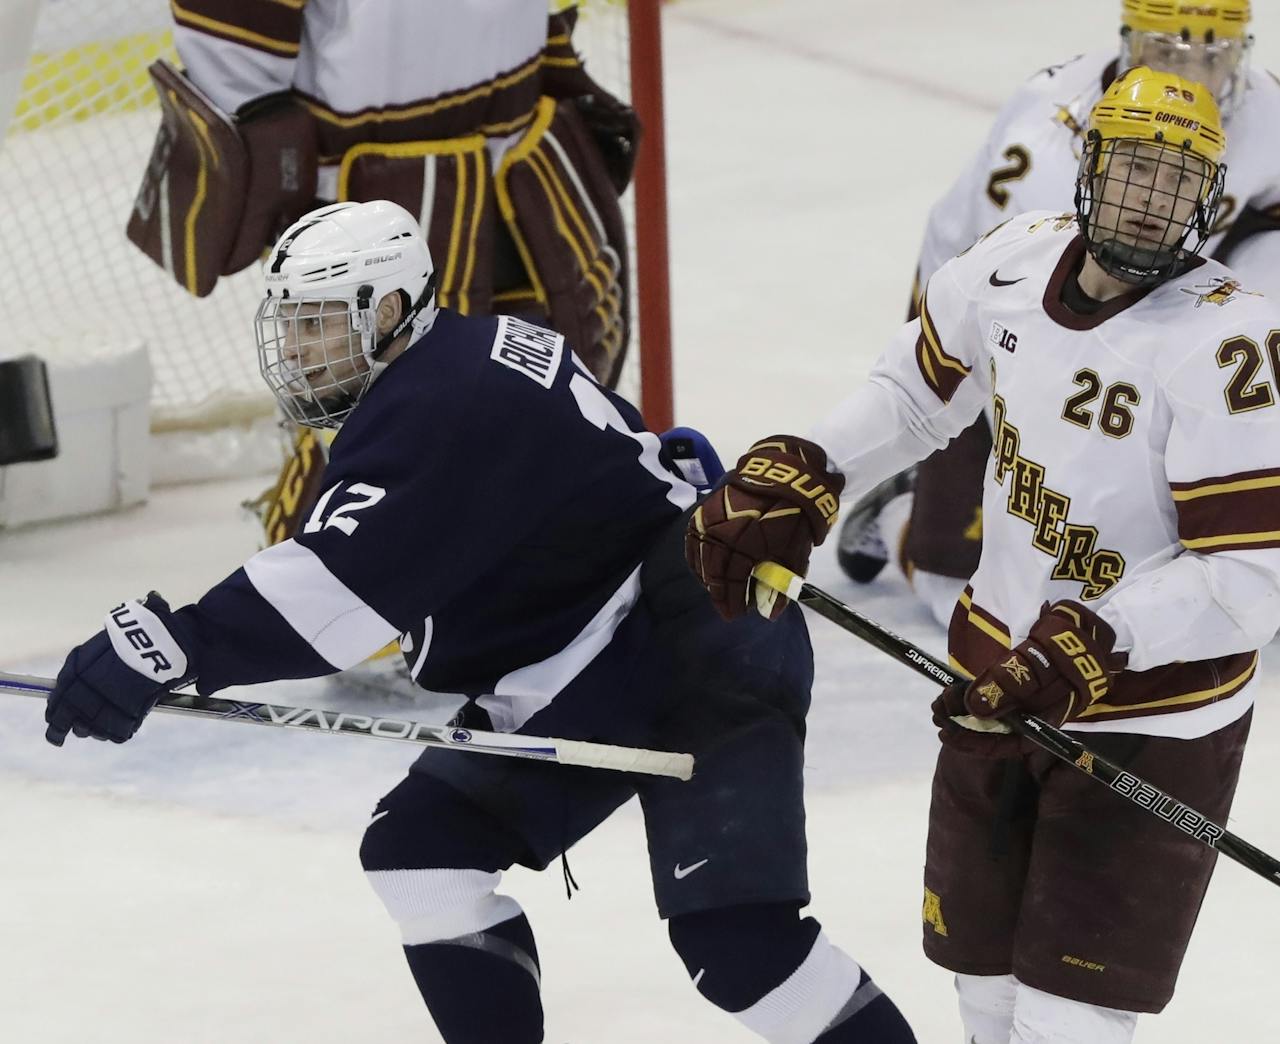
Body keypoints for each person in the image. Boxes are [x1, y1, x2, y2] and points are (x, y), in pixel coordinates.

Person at [42, 201, 916, 1044]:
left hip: (691, 639)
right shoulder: (451, 359)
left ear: (386, 310)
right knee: (422, 851)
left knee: (742, 948)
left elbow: (335, 591)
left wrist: (169, 647)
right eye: (291, 324)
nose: (299, 351)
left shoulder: (440, 403)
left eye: (317, 324)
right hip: (614, 644)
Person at [688, 70, 1280, 1043]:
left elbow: (1246, 582)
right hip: (991, 677)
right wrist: (810, 465)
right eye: (1133, 168)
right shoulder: (1012, 262)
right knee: (982, 992)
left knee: (1068, 1022)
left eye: (1174, 181)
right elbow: (911, 393)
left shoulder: (1232, 345)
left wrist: (1093, 644)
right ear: (1088, 167)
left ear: (1204, 202)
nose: (1149, 198)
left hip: (1147, 716)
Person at [835, 0, 1280, 641]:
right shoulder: (1054, 149)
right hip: (995, 332)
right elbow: (1024, 321)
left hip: (1157, 289)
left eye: (1212, 50)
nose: (1193, 72)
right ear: (1129, 43)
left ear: (1241, 51)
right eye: (1169, 49)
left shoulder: (1262, 108)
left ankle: (1268, 531)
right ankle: (901, 511)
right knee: (970, 590)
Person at [128, 0, 640, 545]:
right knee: (378, 433)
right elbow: (231, 59)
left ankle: (553, 593)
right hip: (372, 193)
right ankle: (312, 601)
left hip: (528, 153)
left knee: (557, 400)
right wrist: (280, 181)